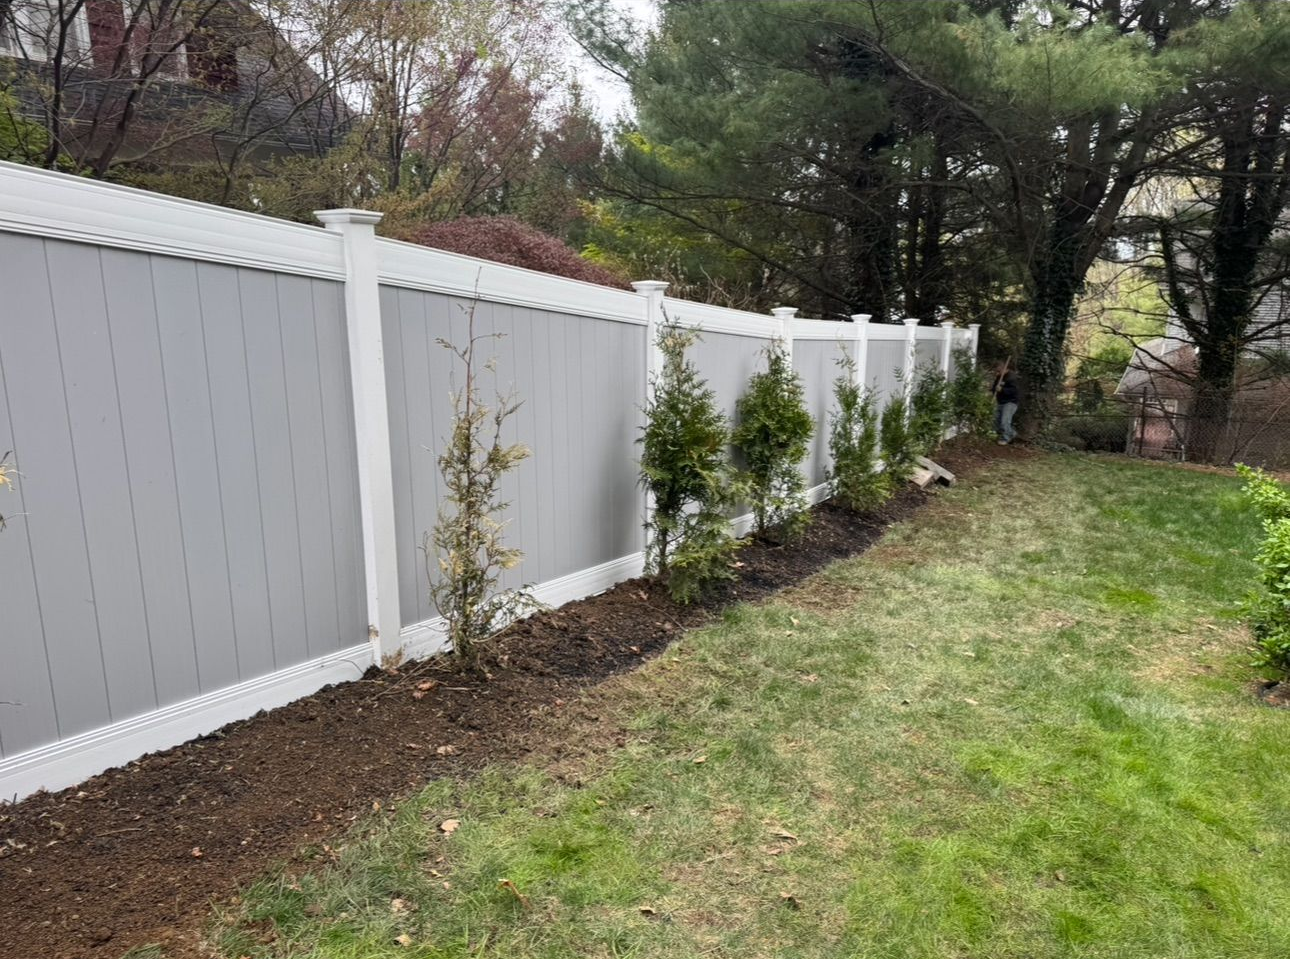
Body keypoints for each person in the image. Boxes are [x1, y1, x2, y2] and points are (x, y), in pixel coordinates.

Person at [992, 361, 1019, 445]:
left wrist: (1002, 390)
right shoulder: (999, 377)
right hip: (1000, 402)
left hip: (1010, 402)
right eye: (996, 371)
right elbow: (995, 388)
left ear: (1004, 368)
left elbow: (1014, 391)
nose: (997, 373)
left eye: (998, 371)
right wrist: (993, 390)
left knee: (1005, 421)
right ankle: (1012, 434)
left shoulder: (1012, 377)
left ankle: (1005, 438)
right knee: (996, 421)